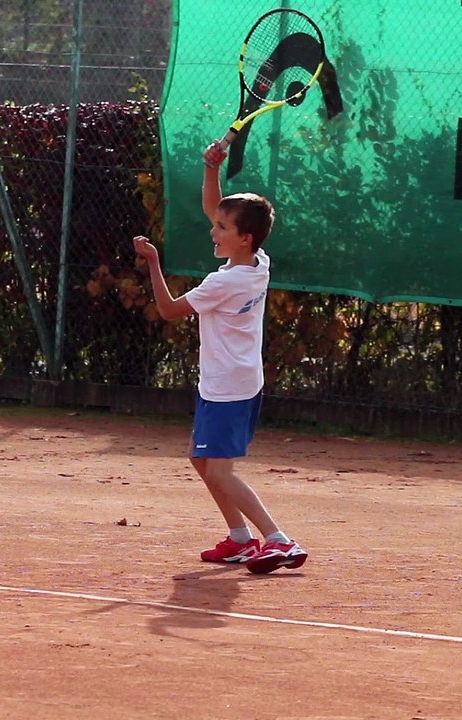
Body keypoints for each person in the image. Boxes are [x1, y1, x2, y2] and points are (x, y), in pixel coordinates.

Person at [131, 139, 308, 575]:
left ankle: (279, 540)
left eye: (222, 229)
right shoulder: (256, 263)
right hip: (235, 382)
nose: (213, 231)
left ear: (243, 237)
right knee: (200, 458)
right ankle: (240, 539)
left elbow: (169, 310)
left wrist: (154, 262)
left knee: (221, 471)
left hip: (228, 387)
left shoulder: (221, 284)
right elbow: (217, 208)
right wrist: (212, 169)